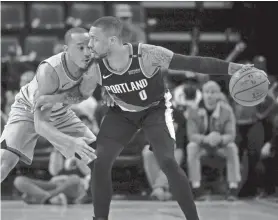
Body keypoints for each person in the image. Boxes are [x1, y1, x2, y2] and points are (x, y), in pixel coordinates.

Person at [34, 17, 266, 220]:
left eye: (94, 39)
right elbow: (80, 94)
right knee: (99, 161)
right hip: (122, 113)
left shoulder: (147, 54)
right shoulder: (96, 67)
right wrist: (57, 99)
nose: (90, 44)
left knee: (167, 161)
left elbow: (193, 63)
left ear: (112, 40)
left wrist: (234, 68)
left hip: (155, 110)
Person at [0, 27, 97, 185]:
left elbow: (82, 95)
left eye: (89, 47)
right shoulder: (49, 71)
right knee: (5, 161)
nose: (86, 52)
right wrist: (71, 142)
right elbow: (40, 125)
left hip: (59, 109)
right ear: (66, 50)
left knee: (96, 158)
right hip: (28, 109)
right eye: (80, 47)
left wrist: (57, 98)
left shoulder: (93, 67)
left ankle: (85, 194)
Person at [186, 81, 241, 201]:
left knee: (232, 147)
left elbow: (231, 135)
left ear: (219, 95)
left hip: (220, 146)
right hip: (202, 146)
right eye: (207, 92)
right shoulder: (194, 110)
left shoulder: (227, 111)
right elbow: (191, 135)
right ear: (202, 94)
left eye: (213, 92)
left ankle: (233, 187)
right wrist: (206, 139)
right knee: (191, 146)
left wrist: (219, 139)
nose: (209, 95)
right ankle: (196, 187)